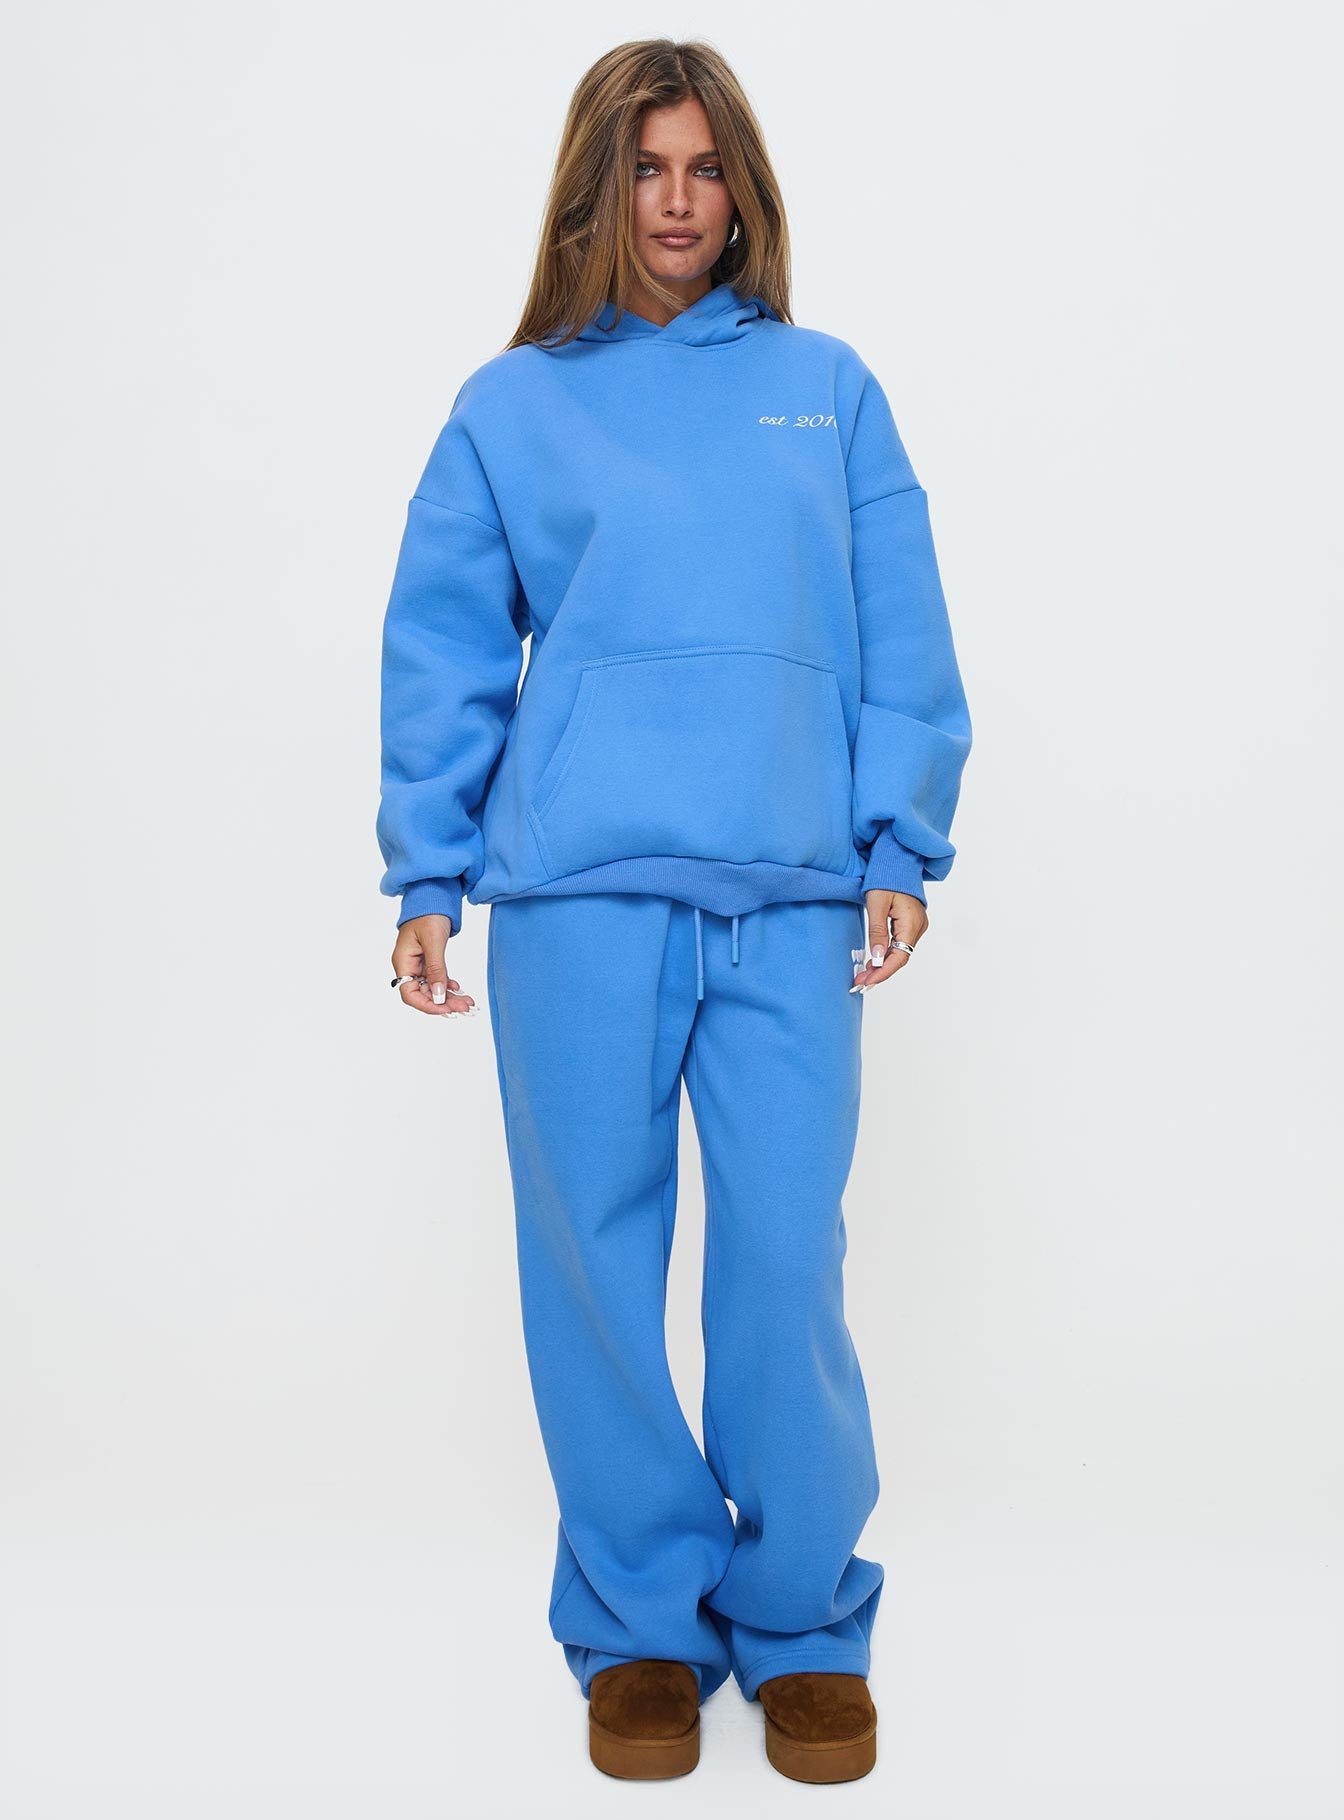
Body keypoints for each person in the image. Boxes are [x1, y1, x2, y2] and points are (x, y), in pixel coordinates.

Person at [375, 37, 972, 1786]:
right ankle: (639, 1620)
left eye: (707, 167)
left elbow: (901, 621)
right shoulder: (511, 407)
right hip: (577, 898)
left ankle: (800, 1618)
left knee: (784, 1260)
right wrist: (427, 868)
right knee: (593, 1267)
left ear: (745, 187)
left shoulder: (826, 389)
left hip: (790, 896)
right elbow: (444, 641)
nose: (679, 201)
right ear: (595, 187)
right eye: (647, 168)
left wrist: (898, 839)